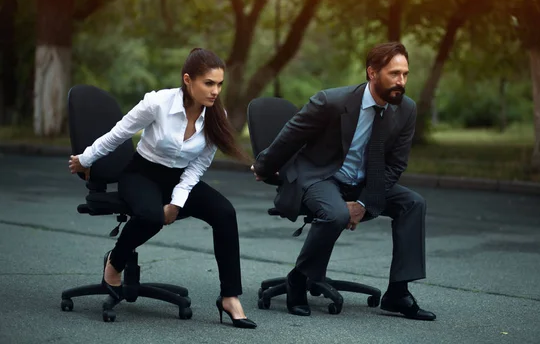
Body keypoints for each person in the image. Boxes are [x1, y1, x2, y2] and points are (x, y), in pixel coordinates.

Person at [68, 48, 257, 329]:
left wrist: (177, 202)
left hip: (180, 178)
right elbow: (118, 134)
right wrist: (84, 159)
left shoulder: (218, 115)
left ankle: (230, 296)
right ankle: (114, 263)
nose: (215, 91)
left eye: (219, 84)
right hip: (141, 173)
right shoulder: (158, 103)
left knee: (225, 213)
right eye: (209, 83)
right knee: (150, 216)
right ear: (188, 80)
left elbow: (199, 166)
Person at [251, 42, 436, 321]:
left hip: (363, 182)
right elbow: (291, 135)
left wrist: (364, 202)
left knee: (413, 203)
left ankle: (397, 292)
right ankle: (298, 279)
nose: (401, 82)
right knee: (335, 213)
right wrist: (265, 166)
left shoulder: (406, 110)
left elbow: (396, 164)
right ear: (372, 73)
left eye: (405, 74)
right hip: (321, 175)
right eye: (394, 74)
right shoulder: (331, 102)